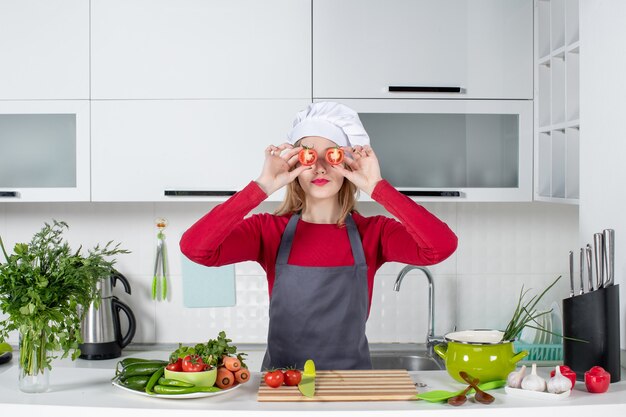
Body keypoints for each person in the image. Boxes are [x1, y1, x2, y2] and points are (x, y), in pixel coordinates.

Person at [180, 102, 457, 370]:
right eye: (308, 156)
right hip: (284, 386)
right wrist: (262, 186)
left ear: (347, 164)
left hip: (353, 388)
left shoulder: (374, 232)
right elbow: (195, 248)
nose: (320, 168)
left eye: (332, 155)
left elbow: (441, 247)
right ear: (294, 164)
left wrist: (377, 187)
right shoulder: (267, 231)